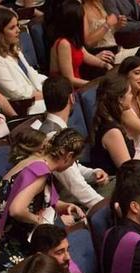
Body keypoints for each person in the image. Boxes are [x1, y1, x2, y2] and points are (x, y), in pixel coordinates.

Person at [0, 129, 85, 273]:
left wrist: (62, 205)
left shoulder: (36, 159)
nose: (73, 164)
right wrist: (38, 221)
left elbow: (29, 196)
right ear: (69, 156)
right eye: (75, 160)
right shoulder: (41, 173)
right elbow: (16, 209)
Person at [38, 76, 109, 209]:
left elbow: (72, 168)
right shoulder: (52, 135)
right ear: (72, 98)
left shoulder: (56, 128)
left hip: (75, 192)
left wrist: (93, 173)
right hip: (66, 201)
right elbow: (76, 186)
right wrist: (106, 208)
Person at [0, 8, 48, 115]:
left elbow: (31, 73)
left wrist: (51, 84)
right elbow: (15, 92)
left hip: (37, 95)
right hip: (24, 105)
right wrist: (44, 95)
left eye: (17, 25)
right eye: (12, 28)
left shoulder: (14, 49)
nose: (18, 30)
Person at [49, 1, 113, 88]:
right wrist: (95, 84)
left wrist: (104, 64)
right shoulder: (63, 44)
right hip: (67, 90)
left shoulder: (73, 39)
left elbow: (86, 56)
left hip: (80, 84)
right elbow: (69, 79)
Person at [91, 74, 138, 174]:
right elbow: (129, 171)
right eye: (129, 93)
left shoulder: (111, 121)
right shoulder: (112, 131)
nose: (132, 95)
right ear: (120, 98)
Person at [82, 0, 132, 65]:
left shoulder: (100, 5)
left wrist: (116, 26)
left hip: (115, 49)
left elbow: (107, 35)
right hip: (101, 53)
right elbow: (88, 42)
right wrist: (107, 24)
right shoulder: (82, 10)